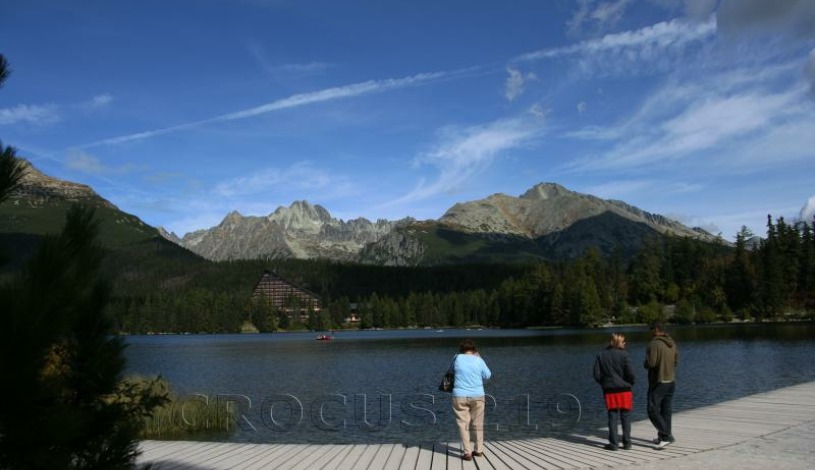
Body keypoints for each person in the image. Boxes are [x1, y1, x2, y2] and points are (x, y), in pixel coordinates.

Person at [450, 339, 492, 461]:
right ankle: (478, 450)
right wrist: (479, 357)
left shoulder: (456, 358)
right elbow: (487, 375)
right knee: (477, 423)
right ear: (474, 350)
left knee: (463, 424)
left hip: (459, 395)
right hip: (477, 396)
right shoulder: (479, 360)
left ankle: (467, 453)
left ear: (461, 350)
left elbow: (451, 372)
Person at [593, 333, 635, 451]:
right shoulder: (625, 355)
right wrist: (630, 383)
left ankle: (614, 443)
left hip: (610, 390)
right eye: (624, 342)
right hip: (625, 390)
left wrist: (604, 383)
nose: (625, 344)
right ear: (618, 342)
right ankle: (627, 442)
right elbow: (631, 374)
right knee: (625, 416)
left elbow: (596, 375)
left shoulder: (601, 355)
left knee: (612, 416)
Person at [644, 321, 679, 449]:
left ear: (657, 330)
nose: (651, 332)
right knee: (666, 410)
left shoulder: (654, 344)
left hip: (659, 381)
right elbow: (676, 361)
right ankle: (663, 437)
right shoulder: (671, 342)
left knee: (652, 409)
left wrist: (645, 363)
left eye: (652, 329)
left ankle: (666, 436)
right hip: (671, 380)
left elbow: (651, 363)